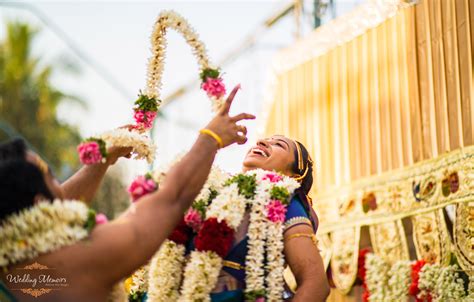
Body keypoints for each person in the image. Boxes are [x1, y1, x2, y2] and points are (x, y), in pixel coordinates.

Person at [0, 86, 254, 301]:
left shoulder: (14, 265)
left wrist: (101, 162)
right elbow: (170, 200)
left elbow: (61, 201)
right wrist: (211, 138)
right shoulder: (79, 260)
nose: (60, 184)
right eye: (52, 177)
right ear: (40, 203)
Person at [209, 135, 330, 301]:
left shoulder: (284, 200)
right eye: (263, 140)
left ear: (294, 176)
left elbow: (316, 284)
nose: (260, 142)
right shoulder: (212, 194)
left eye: (279, 144)